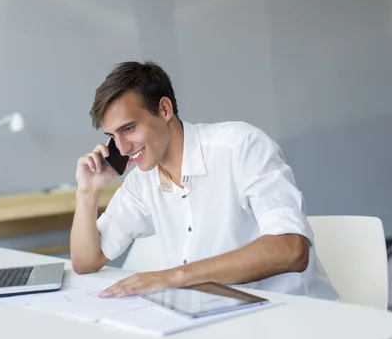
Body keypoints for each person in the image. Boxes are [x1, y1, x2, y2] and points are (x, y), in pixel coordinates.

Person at [70, 61, 338, 300]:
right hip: (217, 325)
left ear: (164, 109)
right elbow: (85, 262)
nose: (123, 148)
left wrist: (170, 277)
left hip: (291, 319)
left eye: (129, 129)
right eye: (113, 136)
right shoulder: (143, 181)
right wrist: (87, 192)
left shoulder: (240, 146)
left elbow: (291, 248)